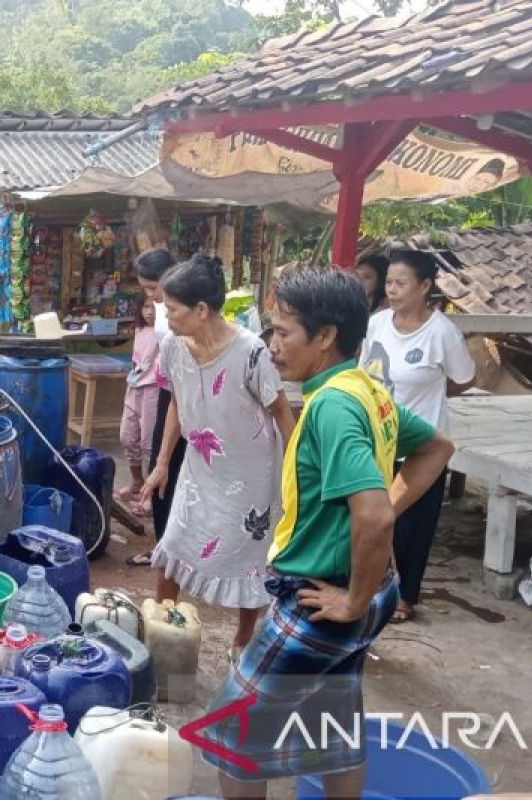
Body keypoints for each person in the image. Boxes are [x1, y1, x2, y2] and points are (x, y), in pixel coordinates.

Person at [200, 266, 453, 800]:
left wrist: (353, 600)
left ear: (326, 335)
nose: (271, 345)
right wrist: (368, 583)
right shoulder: (364, 389)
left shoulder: (334, 407)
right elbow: (435, 449)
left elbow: (376, 516)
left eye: (284, 332)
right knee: (331, 730)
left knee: (234, 736)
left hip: (325, 598)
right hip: (367, 585)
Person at [139, 254, 296, 656]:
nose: (165, 316)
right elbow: (177, 401)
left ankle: (244, 637)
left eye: (171, 309)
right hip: (200, 469)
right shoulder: (173, 347)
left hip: (253, 476)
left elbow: (279, 410)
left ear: (202, 310)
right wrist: (160, 465)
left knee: (250, 559)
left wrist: (297, 473)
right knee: (173, 545)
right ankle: (161, 629)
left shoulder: (250, 351)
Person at [360, 249, 475, 623]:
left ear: (425, 286)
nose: (392, 290)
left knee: (412, 525)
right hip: (379, 437)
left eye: (401, 283)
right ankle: (366, 585)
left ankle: (404, 596)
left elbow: (463, 378)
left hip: (422, 446)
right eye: (389, 282)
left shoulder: (442, 333)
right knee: (373, 516)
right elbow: (365, 373)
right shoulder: (377, 324)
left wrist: (433, 393)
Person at [126, 247, 180, 567]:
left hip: (180, 393)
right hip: (166, 390)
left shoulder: (179, 306)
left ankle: (170, 548)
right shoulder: (160, 307)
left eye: (151, 287)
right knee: (164, 467)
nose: (150, 295)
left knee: (171, 468)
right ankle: (163, 545)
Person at [115, 294, 162, 510]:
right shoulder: (140, 330)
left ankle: (151, 494)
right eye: (145, 307)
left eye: (154, 307)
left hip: (154, 388)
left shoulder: (166, 333)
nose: (150, 312)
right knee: (127, 435)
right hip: (134, 385)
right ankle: (136, 482)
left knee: (149, 442)